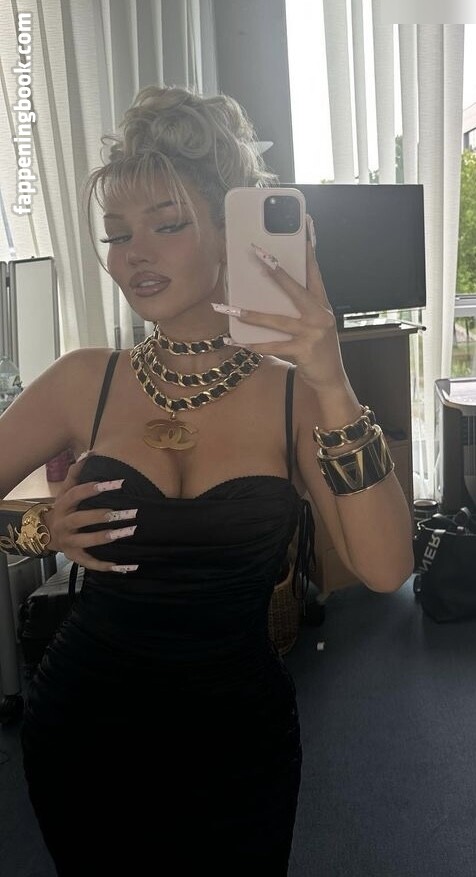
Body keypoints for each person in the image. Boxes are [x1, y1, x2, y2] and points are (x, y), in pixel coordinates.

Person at [0, 85, 414, 875]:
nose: (133, 254)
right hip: (86, 730)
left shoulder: (297, 396)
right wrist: (36, 530)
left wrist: (332, 380)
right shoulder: (83, 380)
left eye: (167, 224)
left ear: (231, 231)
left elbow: (386, 567)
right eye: (116, 233)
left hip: (237, 743)